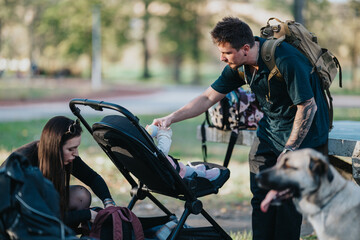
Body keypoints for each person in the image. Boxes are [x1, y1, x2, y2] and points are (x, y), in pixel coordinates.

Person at [152, 17, 329, 240]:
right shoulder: (240, 66)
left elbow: (307, 107)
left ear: (245, 48)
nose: (221, 58)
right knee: (260, 197)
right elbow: (207, 97)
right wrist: (170, 118)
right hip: (270, 131)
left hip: (305, 136)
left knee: (286, 203)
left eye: (226, 53)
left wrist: (290, 150)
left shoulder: (286, 59)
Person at [10, 116, 116, 229]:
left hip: (42, 209)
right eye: (71, 149)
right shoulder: (25, 162)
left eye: (77, 148)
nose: (76, 154)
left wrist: (108, 202)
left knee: (81, 195)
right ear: (55, 147)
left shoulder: (66, 157)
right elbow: (38, 215)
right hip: (18, 220)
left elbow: (92, 178)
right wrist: (87, 215)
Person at [146, 124, 220, 181]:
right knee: (191, 172)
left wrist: (146, 133)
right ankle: (205, 175)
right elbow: (162, 152)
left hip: (155, 172)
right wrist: (163, 133)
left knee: (188, 169)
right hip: (174, 172)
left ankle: (196, 170)